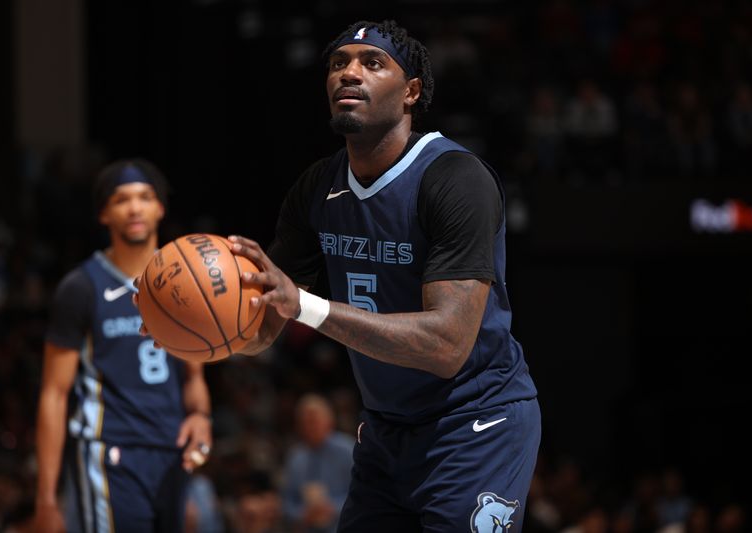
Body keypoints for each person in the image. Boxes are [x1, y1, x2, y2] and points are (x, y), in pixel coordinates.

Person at [226, 19, 541, 531]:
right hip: (385, 430)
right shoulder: (317, 187)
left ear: (411, 91)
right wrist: (196, 334)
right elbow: (263, 325)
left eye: (372, 63)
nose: (349, 73)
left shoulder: (456, 179)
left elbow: (446, 345)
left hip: (476, 422)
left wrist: (306, 305)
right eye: (337, 63)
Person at [33, 158, 213, 533]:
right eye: (121, 199)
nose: (134, 207)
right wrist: (47, 497)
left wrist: (200, 416)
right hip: (108, 452)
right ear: (104, 214)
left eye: (145, 197)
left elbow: (193, 374)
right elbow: (54, 393)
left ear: (160, 207)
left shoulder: (189, 283)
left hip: (171, 453)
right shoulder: (81, 287)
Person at [281, 394, 354, 533]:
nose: (310, 426)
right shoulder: (295, 457)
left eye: (314, 420)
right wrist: (302, 513)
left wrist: (333, 507)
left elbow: (361, 493)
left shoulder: (347, 450)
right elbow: (287, 502)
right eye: (305, 421)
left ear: (329, 421)